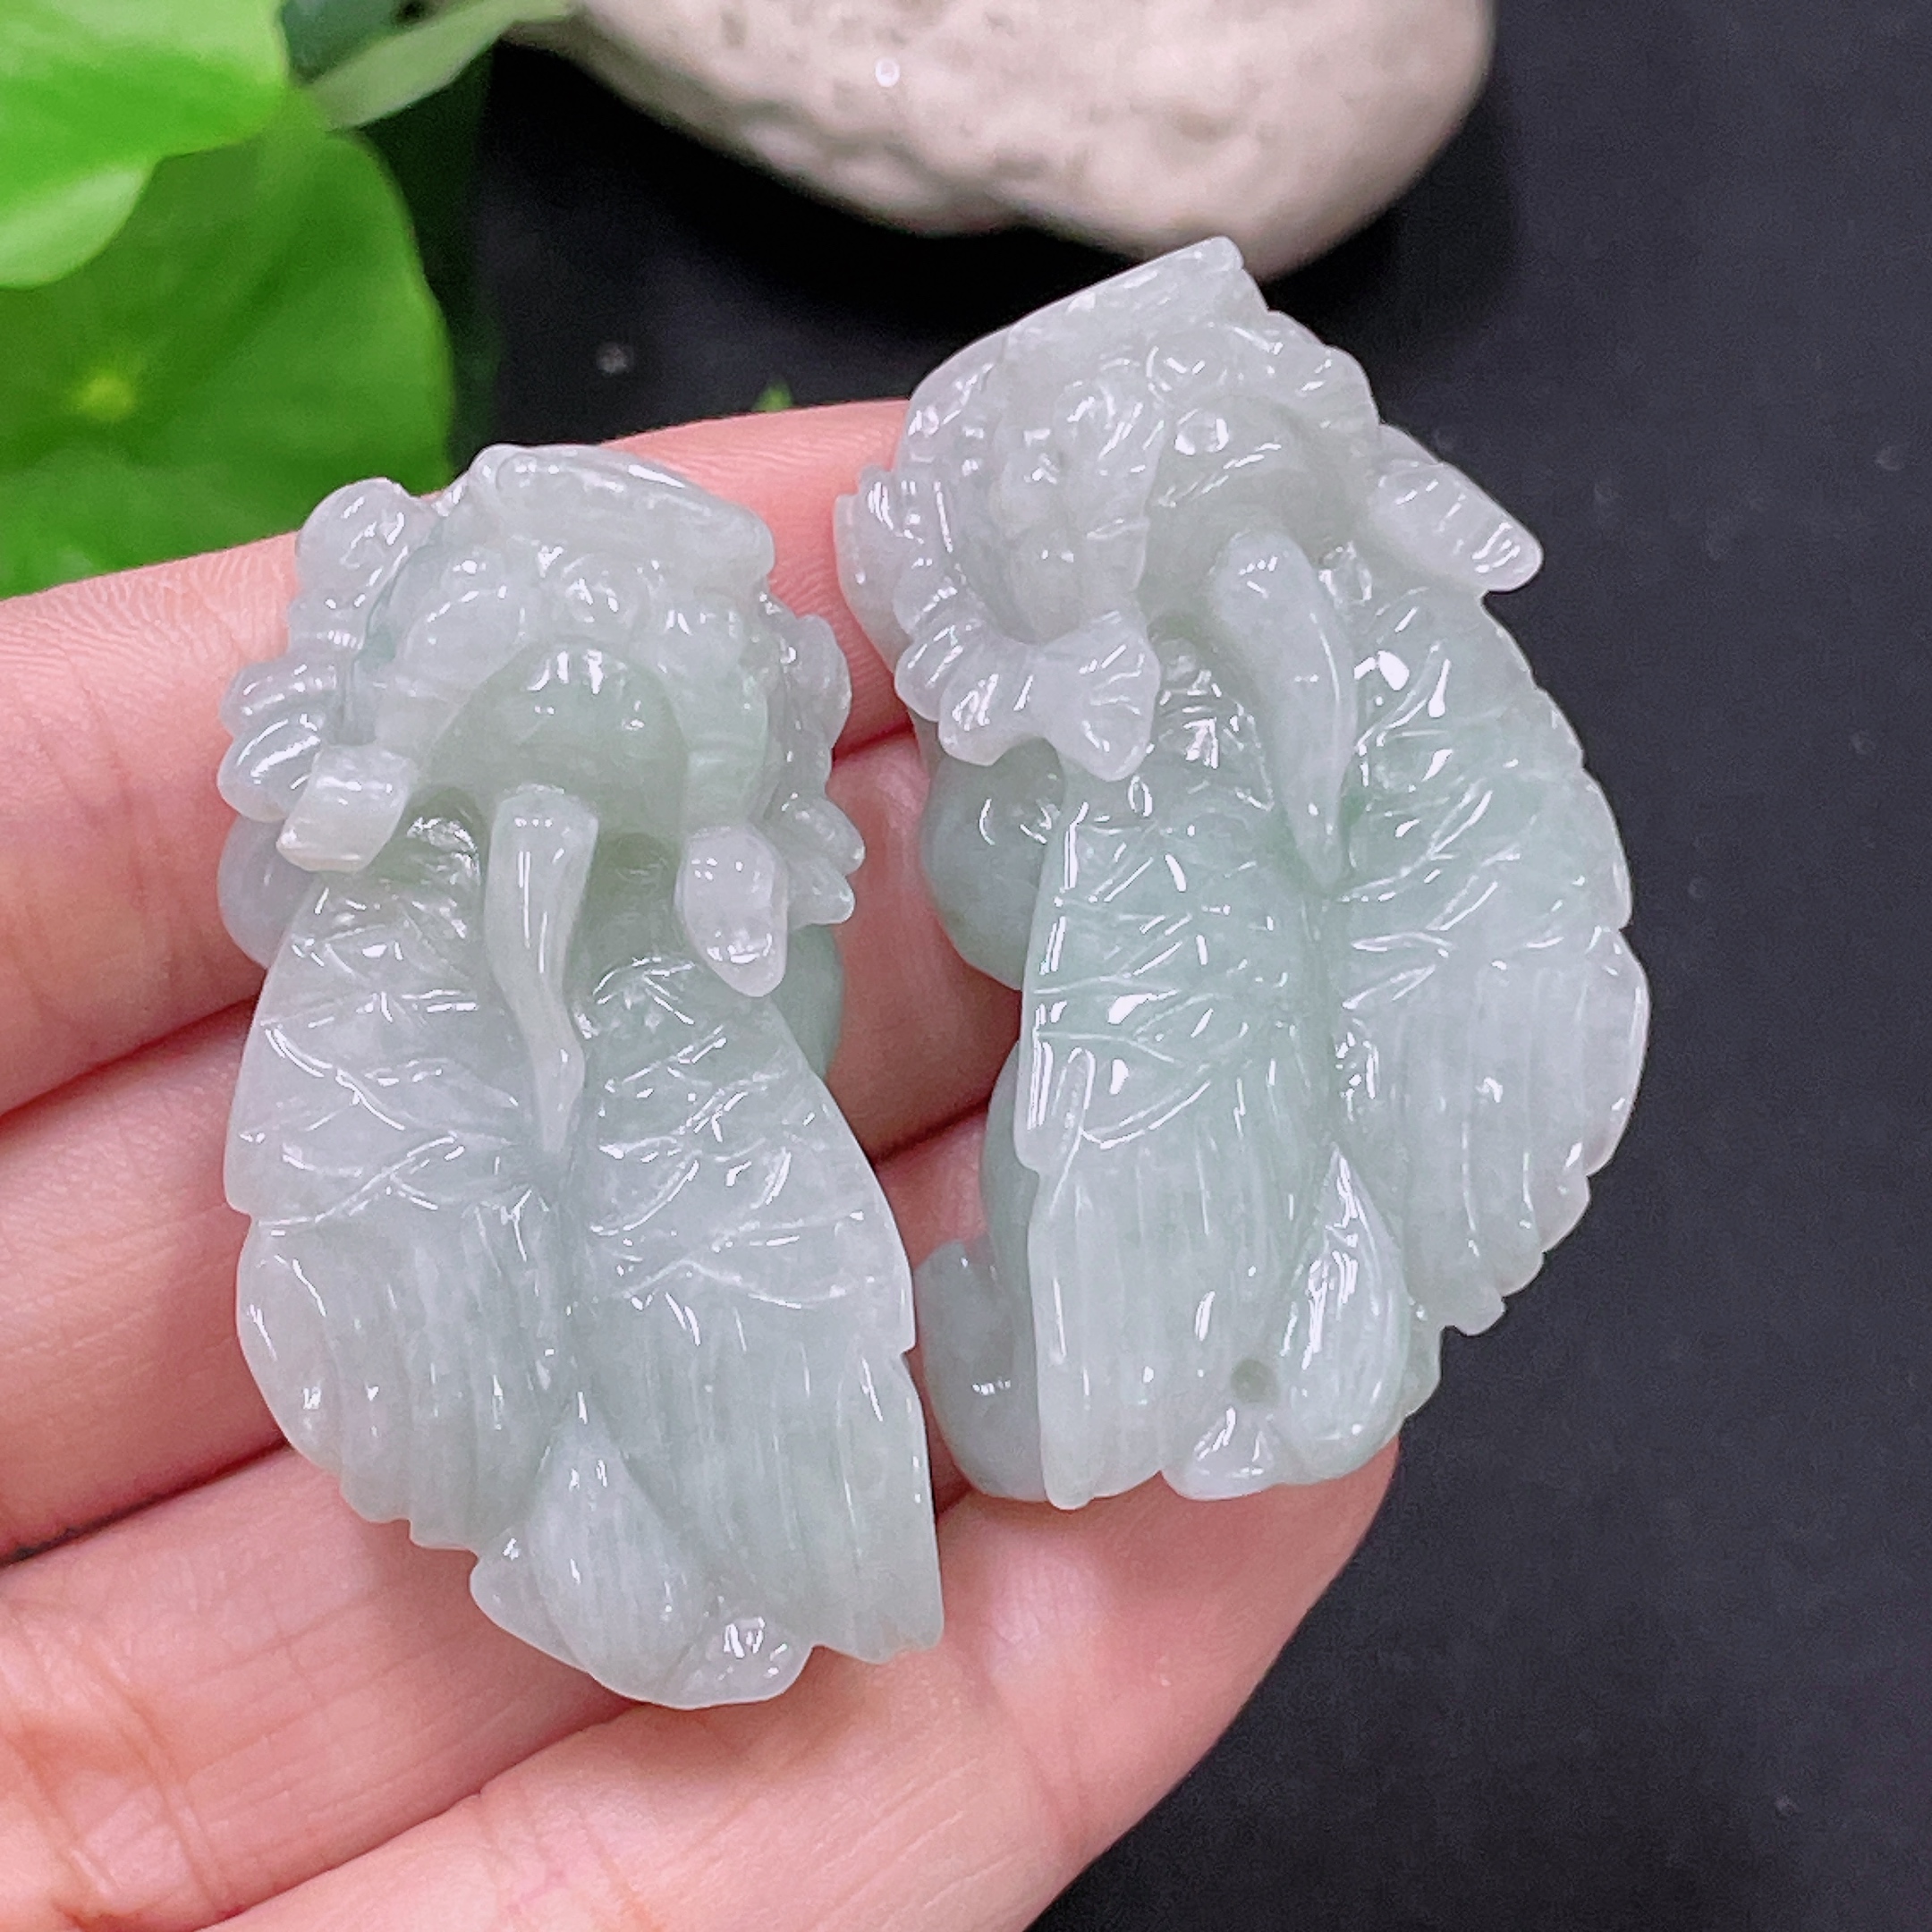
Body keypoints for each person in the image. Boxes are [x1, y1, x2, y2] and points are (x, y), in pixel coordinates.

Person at [0, 402, 1390, 1928]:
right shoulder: (395, 917)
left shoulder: (704, 874)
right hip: (470, 1107)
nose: (576, 678)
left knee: (743, 1282)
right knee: (462, 1306)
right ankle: (664, 1538)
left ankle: (795, 1530)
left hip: (701, 1091)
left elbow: (820, 984)